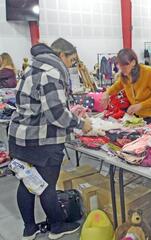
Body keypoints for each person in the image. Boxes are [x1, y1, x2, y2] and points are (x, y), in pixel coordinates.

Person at [8, 38, 92, 240]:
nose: (72, 65)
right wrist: (81, 124)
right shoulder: (53, 71)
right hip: (41, 141)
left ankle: (29, 229)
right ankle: (57, 226)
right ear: (61, 55)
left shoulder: (33, 67)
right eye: (71, 60)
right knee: (47, 186)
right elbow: (56, 114)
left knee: (27, 183)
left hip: (19, 138)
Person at [101, 48, 151, 127]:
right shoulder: (125, 75)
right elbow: (117, 86)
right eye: (120, 65)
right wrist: (107, 93)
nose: (122, 67)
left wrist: (140, 105)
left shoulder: (148, 72)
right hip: (143, 115)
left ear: (133, 62)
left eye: (125, 64)